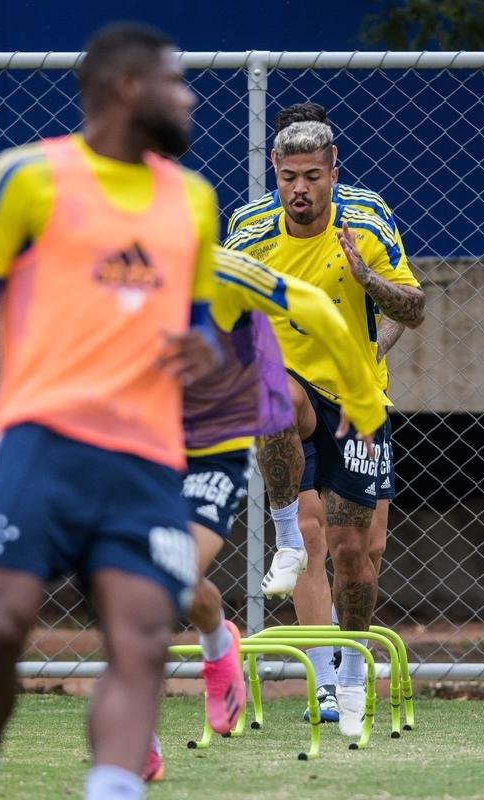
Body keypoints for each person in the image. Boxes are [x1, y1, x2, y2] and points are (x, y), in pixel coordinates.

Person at [0, 23, 222, 800]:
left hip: (147, 464)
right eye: (176, 81)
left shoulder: (193, 200)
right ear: (128, 89)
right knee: (0, 628)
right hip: (39, 448)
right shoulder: (24, 177)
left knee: (144, 643)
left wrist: (207, 351)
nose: (190, 98)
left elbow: (198, 326)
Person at [143, 244, 387, 780]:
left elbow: (319, 311)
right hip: (136, 437)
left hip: (212, 444)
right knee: (123, 581)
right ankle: (146, 731)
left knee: (166, 575)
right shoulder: (80, 270)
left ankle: (225, 652)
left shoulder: (217, 265)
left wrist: (364, 398)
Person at [224, 120, 425, 736]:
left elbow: (413, 308)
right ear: (274, 175)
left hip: (359, 399)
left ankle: (353, 673)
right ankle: (322, 680)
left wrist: (368, 299)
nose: (300, 188)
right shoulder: (249, 233)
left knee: (356, 551)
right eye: (288, 178)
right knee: (308, 535)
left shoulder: (364, 219)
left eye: (312, 175)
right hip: (294, 389)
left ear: (334, 169)